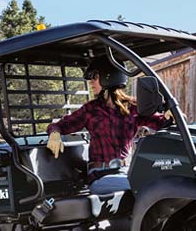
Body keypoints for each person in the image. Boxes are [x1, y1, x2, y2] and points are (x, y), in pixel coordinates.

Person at [45, 58, 173, 195]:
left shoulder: (133, 108)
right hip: (100, 176)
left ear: (109, 77)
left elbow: (161, 123)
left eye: (95, 77)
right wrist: (54, 133)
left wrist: (171, 116)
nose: (91, 82)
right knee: (145, 186)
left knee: (159, 183)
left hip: (126, 171)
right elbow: (60, 126)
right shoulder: (90, 109)